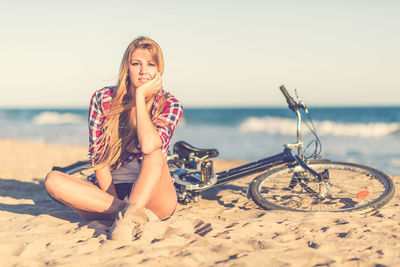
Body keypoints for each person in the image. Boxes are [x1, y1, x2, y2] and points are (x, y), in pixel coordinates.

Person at [45, 36, 183, 238]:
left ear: (159, 70)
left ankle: (127, 218)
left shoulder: (170, 104)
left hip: (155, 194)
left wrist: (140, 96)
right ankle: (128, 215)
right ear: (127, 68)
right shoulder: (103, 99)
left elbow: (148, 146)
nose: (144, 70)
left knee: (154, 154)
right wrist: (118, 207)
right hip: (110, 196)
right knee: (53, 180)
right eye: (136, 64)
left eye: (150, 64)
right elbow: (98, 159)